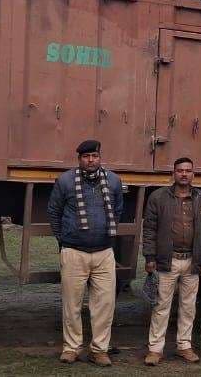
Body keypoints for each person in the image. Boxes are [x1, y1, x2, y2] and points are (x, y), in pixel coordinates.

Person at [47, 139, 124, 366]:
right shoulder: (66, 181)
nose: (91, 160)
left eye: (95, 156)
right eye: (86, 157)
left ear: (100, 157)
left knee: (104, 304)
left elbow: (118, 210)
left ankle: (99, 350)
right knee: (72, 304)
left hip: (103, 252)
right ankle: (71, 348)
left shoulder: (113, 180)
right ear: (79, 159)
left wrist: (104, 233)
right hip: (74, 251)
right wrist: (65, 240)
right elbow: (54, 212)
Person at [141, 157, 201, 366]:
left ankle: (184, 346)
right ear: (173, 173)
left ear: (193, 174)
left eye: (188, 170)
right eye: (180, 170)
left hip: (192, 261)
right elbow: (149, 230)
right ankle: (155, 349)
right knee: (161, 306)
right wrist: (149, 256)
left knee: (188, 307)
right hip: (167, 261)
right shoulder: (158, 197)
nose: (184, 174)